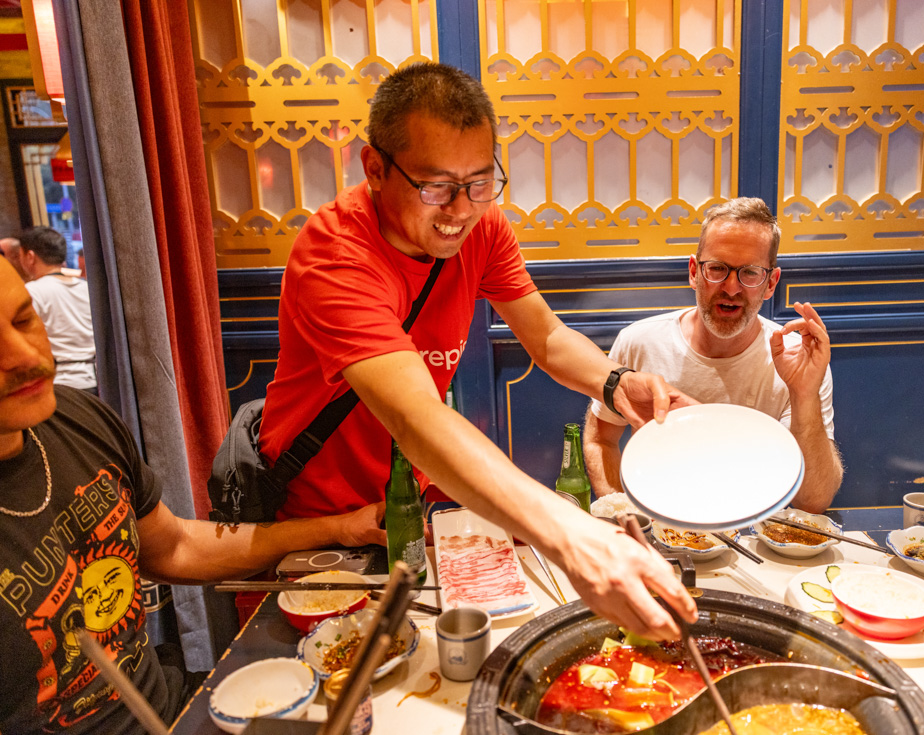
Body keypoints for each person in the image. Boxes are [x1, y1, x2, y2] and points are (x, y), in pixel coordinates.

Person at [258, 62, 697, 639]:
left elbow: (546, 337)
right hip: (324, 513)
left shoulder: (483, 228)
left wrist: (616, 383)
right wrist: (569, 534)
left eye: (480, 182)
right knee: (339, 666)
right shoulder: (336, 256)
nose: (461, 210)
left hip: (411, 493)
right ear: (375, 168)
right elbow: (415, 417)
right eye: (436, 186)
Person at [0, 256, 396, 733]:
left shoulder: (76, 419)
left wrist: (336, 528)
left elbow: (175, 547)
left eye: (24, 320)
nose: (24, 357)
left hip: (170, 711)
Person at [583, 198, 844, 514]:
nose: (731, 288)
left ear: (770, 283)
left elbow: (813, 500)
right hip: (661, 527)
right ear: (694, 271)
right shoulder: (639, 342)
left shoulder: (796, 359)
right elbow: (601, 440)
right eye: (718, 268)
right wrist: (624, 518)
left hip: (754, 532)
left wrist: (803, 395)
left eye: (750, 272)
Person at [3, 226, 97, 392]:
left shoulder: (32, 292)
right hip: (95, 378)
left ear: (30, 257)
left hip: (61, 384)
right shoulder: (87, 288)